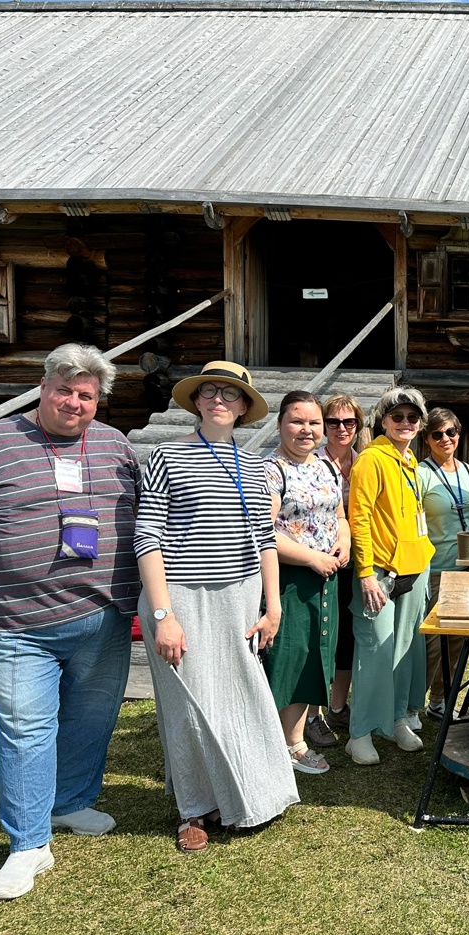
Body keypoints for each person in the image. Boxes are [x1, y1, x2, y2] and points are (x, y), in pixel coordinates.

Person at [0, 344, 140, 900]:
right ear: (42, 386)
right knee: (24, 728)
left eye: (86, 395)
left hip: (103, 615)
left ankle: (70, 802)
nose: (74, 402)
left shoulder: (116, 445)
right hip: (18, 620)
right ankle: (27, 844)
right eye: (64, 390)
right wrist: (3, 555)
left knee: (91, 718)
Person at [135, 360, 299, 854]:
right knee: (190, 706)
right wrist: (164, 616)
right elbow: (148, 537)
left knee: (240, 696)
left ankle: (250, 792)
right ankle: (193, 808)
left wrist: (273, 607)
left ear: (245, 406)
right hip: (181, 597)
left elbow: (266, 540)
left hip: (240, 598)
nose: (218, 400)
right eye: (208, 392)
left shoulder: (255, 465)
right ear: (196, 401)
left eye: (229, 394)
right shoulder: (166, 455)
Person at [345, 385, 435, 764]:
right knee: (375, 651)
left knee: (405, 651)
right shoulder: (371, 459)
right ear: (383, 420)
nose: (405, 423)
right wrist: (365, 572)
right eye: (397, 416)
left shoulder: (411, 461)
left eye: (412, 417)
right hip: (379, 571)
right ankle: (360, 731)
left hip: (415, 567)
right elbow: (359, 518)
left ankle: (397, 718)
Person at [263, 391, 350, 775]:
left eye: (314, 422)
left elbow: (340, 515)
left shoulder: (327, 467)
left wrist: (343, 541)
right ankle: (287, 744)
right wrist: (313, 557)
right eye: (297, 421)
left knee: (316, 656)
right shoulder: (272, 469)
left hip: (326, 577)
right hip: (290, 577)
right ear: (280, 424)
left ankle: (293, 738)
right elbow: (263, 530)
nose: (307, 429)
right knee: (289, 658)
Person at [416, 407, 469, 720]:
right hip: (436, 567)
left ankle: (439, 702)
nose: (445, 439)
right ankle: (414, 703)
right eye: (437, 434)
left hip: (468, 567)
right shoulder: (420, 473)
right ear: (426, 438)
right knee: (431, 643)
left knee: (456, 641)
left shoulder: (467, 471)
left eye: (451, 432)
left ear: (459, 433)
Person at [314, 395, 366, 738]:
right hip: (315, 560)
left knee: (346, 635)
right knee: (318, 634)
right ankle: (311, 711)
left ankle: (336, 706)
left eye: (349, 423)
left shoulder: (363, 462)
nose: (342, 429)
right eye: (333, 422)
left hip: (354, 559)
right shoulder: (312, 461)